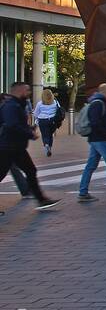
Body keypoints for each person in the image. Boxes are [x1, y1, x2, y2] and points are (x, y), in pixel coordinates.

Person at [0, 81, 59, 212]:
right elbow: (12, 125)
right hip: (7, 147)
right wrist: (30, 133)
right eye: (27, 90)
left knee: (30, 170)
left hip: (15, 147)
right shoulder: (11, 106)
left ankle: (41, 200)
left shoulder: (15, 105)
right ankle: (41, 199)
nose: (29, 93)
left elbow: (15, 124)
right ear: (20, 91)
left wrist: (29, 129)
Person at [78, 83, 106, 202]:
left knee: (91, 165)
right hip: (101, 139)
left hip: (95, 139)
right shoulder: (98, 103)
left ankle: (83, 192)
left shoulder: (97, 102)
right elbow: (95, 122)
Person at [34, 88, 60, 156]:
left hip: (43, 120)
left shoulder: (39, 103)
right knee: (50, 134)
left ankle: (46, 145)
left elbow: (36, 113)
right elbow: (59, 110)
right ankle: (50, 147)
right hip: (53, 120)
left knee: (45, 134)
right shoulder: (55, 102)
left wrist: (37, 118)